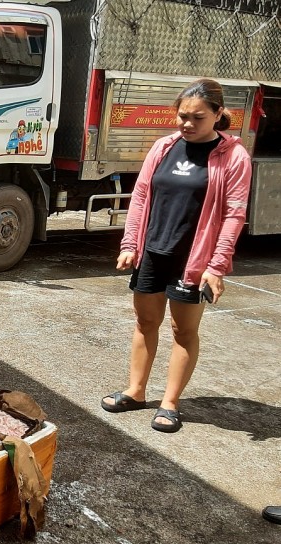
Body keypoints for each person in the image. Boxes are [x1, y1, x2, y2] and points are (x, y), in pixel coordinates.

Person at [101, 78, 252, 433]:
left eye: (197, 117)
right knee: (144, 322)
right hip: (154, 249)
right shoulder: (164, 147)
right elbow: (140, 197)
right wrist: (129, 243)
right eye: (182, 116)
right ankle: (135, 391)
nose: (187, 124)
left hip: (193, 259)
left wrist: (217, 266)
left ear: (217, 114)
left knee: (182, 330)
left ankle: (169, 403)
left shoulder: (233, 156)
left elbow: (234, 214)